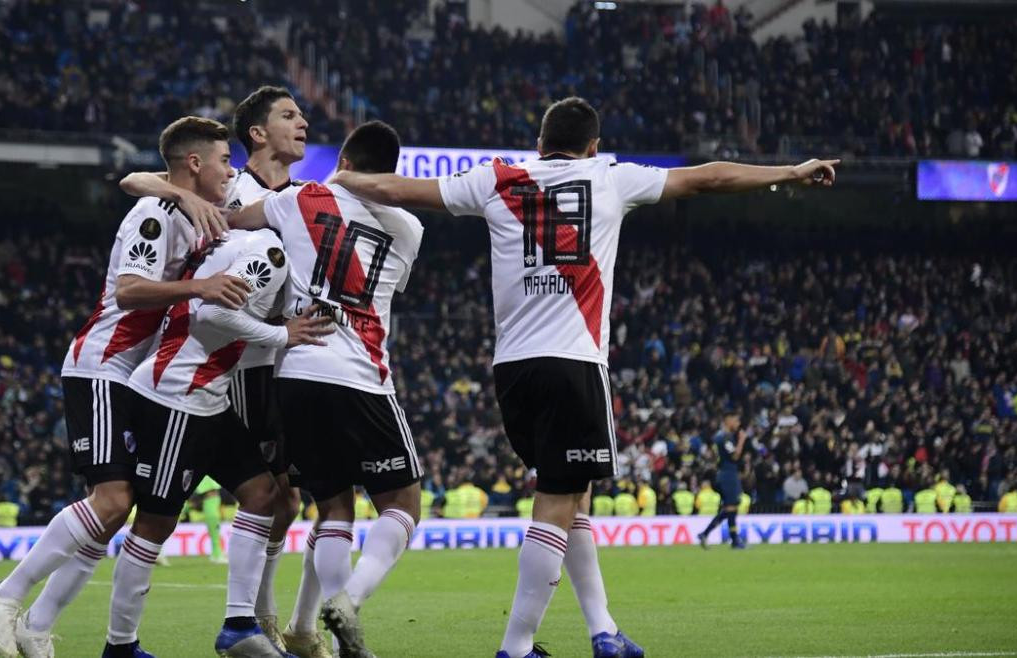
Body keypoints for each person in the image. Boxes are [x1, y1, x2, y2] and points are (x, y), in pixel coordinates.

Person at [332, 96, 836, 658]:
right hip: (572, 362)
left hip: (512, 371)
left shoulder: (498, 178)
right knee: (558, 500)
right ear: (593, 146)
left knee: (576, 495)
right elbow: (709, 177)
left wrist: (334, 183)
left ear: (539, 144)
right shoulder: (609, 177)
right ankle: (517, 647)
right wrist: (791, 172)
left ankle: (603, 631)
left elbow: (396, 189)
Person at [0, 116, 253, 658]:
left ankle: (36, 626)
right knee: (112, 501)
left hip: (138, 380)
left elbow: (137, 175)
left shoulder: (194, 208)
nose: (231, 169)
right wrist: (200, 284)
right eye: (223, 159)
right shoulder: (155, 213)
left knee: (110, 516)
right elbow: (128, 291)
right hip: (103, 367)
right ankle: (3, 595)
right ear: (195, 163)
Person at [121, 85, 314, 653]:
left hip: (281, 360)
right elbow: (139, 181)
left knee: (284, 500)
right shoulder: (232, 189)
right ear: (257, 133)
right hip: (232, 362)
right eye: (289, 115)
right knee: (267, 494)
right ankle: (257, 620)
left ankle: (256, 616)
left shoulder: (304, 197)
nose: (302, 123)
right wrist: (180, 197)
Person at [231, 120, 426, 658]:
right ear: (391, 173)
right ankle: (349, 604)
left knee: (334, 510)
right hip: (361, 375)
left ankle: (330, 628)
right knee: (403, 504)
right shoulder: (409, 228)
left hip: (295, 374)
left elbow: (233, 220)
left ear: (342, 157)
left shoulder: (298, 199)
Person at [106, 222, 332, 658]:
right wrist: (283, 334)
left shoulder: (231, 242)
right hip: (177, 395)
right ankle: (119, 647)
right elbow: (214, 312)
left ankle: (239, 625)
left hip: (211, 400)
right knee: (154, 523)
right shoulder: (270, 254)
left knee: (263, 493)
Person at [697, 410, 748, 549]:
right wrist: (742, 440)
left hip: (725, 473)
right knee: (731, 507)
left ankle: (707, 534)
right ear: (728, 420)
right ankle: (734, 541)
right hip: (728, 475)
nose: (738, 424)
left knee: (730, 508)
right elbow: (735, 456)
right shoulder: (724, 437)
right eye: (735, 420)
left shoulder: (720, 436)